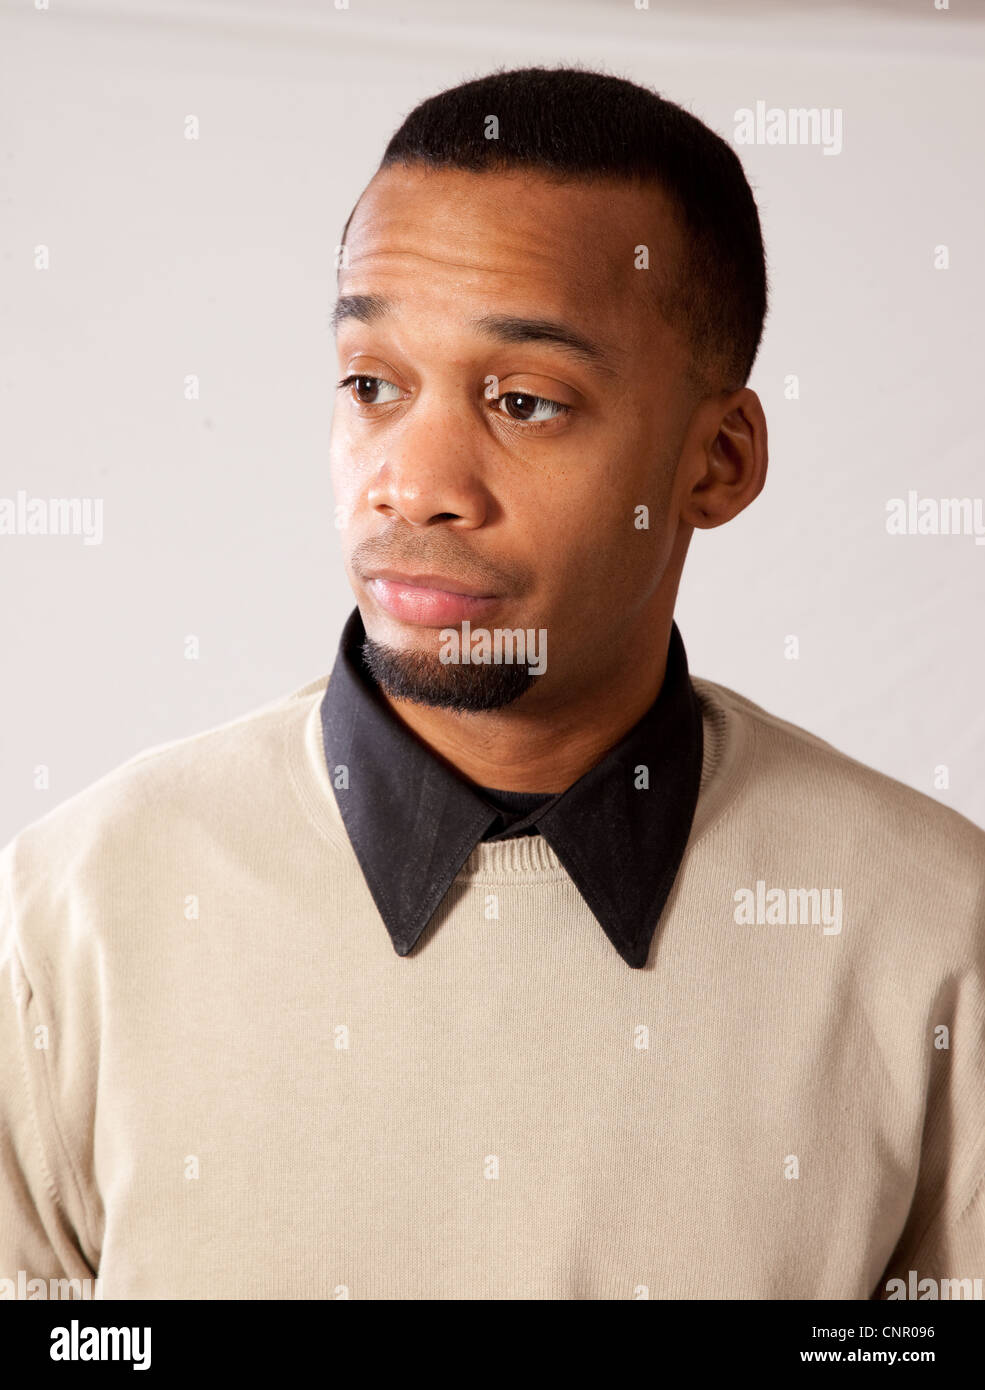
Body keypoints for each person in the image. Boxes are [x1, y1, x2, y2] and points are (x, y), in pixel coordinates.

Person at [2, 65, 982, 1302]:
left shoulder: (937, 936)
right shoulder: (65, 923)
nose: (413, 484)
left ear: (717, 461)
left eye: (523, 401)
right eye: (372, 385)